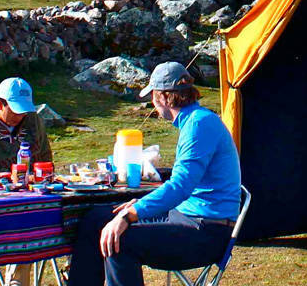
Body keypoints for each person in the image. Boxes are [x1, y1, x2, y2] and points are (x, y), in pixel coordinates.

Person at [69, 62, 242, 286]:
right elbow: (182, 184)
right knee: (95, 219)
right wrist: (140, 205)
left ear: (162, 96)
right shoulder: (194, 121)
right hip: (185, 216)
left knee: (119, 240)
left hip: (206, 230)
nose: (153, 102)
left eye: (152, 96)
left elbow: (180, 187)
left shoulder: (200, 124)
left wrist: (131, 213)